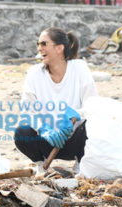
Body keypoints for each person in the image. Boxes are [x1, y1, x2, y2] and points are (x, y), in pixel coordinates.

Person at [14, 27, 98, 173]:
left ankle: (81, 164)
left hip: (75, 140)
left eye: (44, 44)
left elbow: (93, 105)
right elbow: (27, 111)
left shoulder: (80, 68)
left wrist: (75, 114)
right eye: (38, 44)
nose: (39, 48)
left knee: (96, 126)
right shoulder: (34, 73)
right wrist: (43, 129)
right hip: (48, 140)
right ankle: (41, 165)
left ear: (59, 48)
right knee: (22, 131)